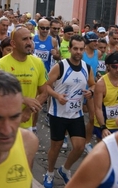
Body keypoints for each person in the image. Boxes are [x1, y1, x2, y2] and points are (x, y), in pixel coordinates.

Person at [43, 35, 95, 187]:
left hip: (76, 114)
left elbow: (93, 85)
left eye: (81, 49)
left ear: (84, 50)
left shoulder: (87, 68)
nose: (78, 52)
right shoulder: (60, 66)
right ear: (70, 49)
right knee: (56, 146)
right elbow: (45, 85)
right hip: (58, 113)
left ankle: (64, 170)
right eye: (75, 49)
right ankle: (50, 173)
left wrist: (91, 92)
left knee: (79, 147)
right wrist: (57, 95)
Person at [0, 26, 48, 130]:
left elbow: (44, 93)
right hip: (3, 124)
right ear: (13, 44)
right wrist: (22, 99)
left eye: (30, 38)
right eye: (24, 39)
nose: (29, 43)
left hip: (26, 123)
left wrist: (28, 111)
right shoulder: (0, 65)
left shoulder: (38, 63)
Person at [94, 51, 118, 140]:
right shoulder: (101, 84)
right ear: (108, 66)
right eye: (114, 67)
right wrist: (103, 128)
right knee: (105, 153)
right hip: (105, 124)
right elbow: (98, 108)